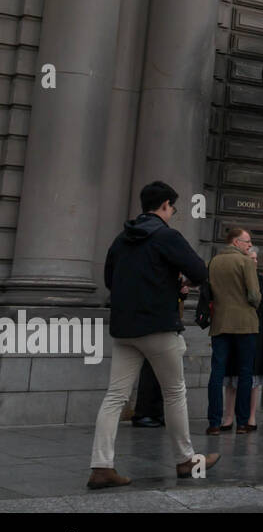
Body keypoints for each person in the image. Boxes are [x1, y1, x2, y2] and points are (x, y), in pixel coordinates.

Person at [89, 181, 219, 489]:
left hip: (124, 329)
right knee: (174, 392)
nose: (173, 212)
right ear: (164, 205)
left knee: (115, 396)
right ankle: (186, 460)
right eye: (173, 207)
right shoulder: (166, 236)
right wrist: (177, 284)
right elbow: (200, 271)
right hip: (158, 327)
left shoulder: (121, 239)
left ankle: (101, 467)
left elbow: (110, 279)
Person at [206, 227, 261, 435]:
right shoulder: (246, 262)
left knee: (217, 373)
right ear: (236, 242)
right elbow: (255, 295)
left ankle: (213, 422)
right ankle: (243, 422)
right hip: (244, 323)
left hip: (220, 323)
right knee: (245, 373)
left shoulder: (213, 262)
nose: (249, 245)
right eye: (247, 241)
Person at [221, 245, 263, 430]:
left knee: (253, 379)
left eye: (256, 259)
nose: (254, 262)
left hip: (256, 334)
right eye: (251, 259)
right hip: (234, 331)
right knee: (232, 378)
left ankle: (251, 417)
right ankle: (228, 418)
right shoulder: (235, 280)